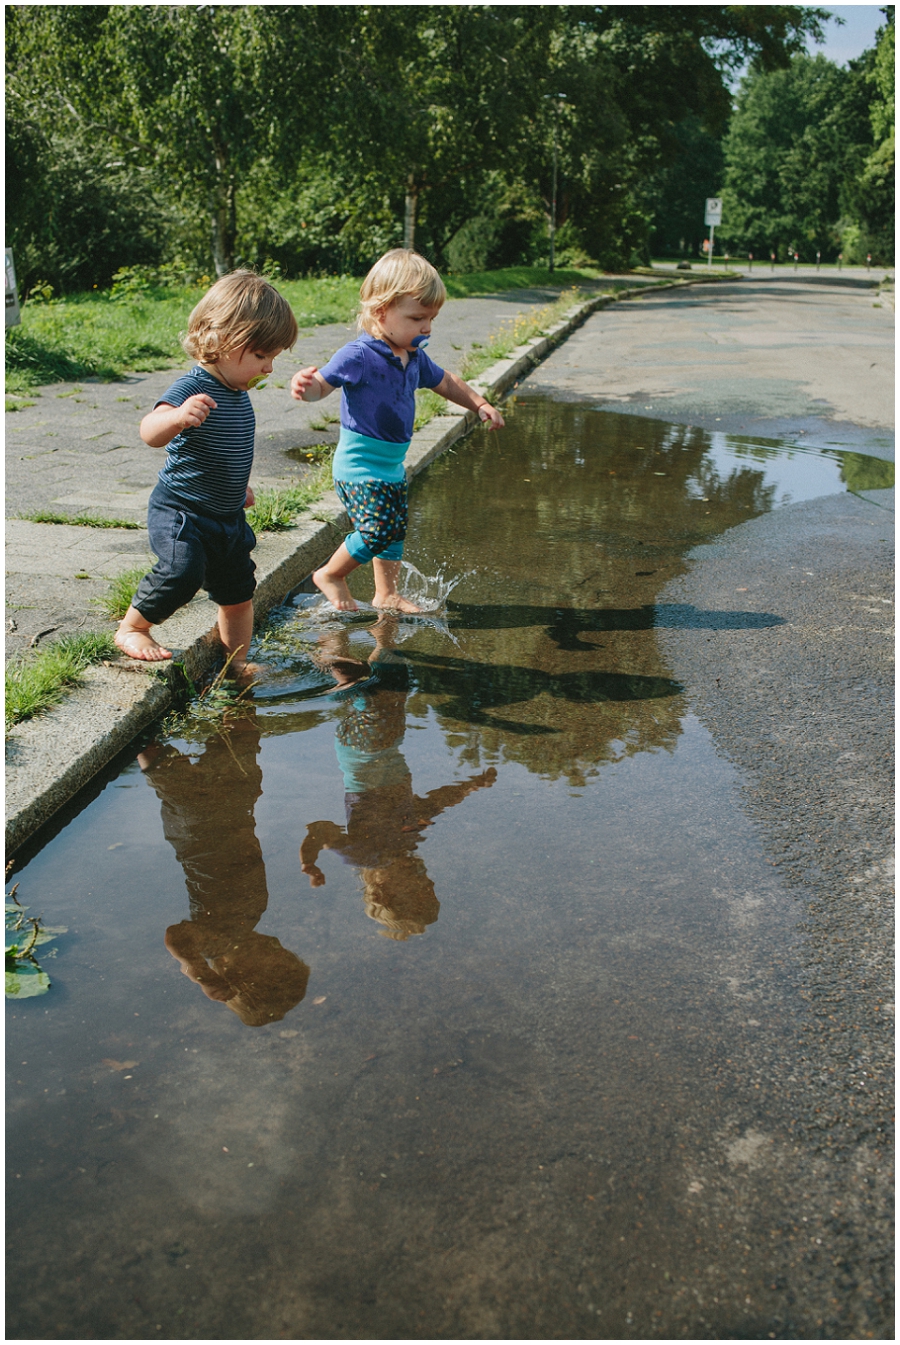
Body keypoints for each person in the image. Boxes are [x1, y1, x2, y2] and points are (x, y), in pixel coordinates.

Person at [290, 249, 504, 613]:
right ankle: (331, 574)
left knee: (394, 530)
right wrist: (305, 386)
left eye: (432, 319)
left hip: (391, 465)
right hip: (359, 464)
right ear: (380, 311)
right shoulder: (357, 355)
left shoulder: (414, 357)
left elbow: (446, 382)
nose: (427, 328)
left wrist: (479, 403)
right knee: (376, 530)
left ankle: (386, 593)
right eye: (418, 318)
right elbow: (322, 387)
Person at [115, 270, 298, 672]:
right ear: (221, 341)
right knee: (182, 571)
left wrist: (239, 487)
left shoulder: (237, 395)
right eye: (261, 356)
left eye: (273, 358)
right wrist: (178, 417)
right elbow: (149, 432)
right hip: (182, 510)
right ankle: (133, 627)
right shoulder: (192, 388)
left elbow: (227, 450)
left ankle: (237, 662)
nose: (268, 369)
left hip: (226, 516)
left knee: (238, 593)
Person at [300, 614, 497, 939]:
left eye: (419, 890)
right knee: (392, 694)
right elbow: (435, 803)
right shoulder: (408, 841)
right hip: (385, 747)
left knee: (381, 704)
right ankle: (370, 636)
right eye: (429, 886)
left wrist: (310, 861)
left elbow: (319, 830)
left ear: (383, 892)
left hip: (364, 755)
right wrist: (471, 785)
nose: (426, 880)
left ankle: (342, 658)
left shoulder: (361, 853)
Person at [139, 718, 310, 1027]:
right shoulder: (252, 916)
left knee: (161, 763)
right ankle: (234, 683)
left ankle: (138, 724)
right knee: (242, 744)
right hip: (235, 815)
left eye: (278, 961)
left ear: (239, 973)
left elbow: (176, 937)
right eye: (286, 955)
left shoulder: (215, 940)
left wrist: (199, 971)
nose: (279, 947)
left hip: (198, 831)